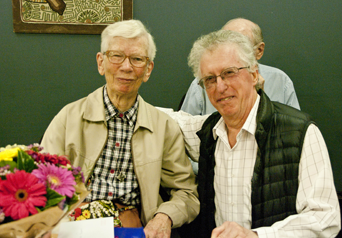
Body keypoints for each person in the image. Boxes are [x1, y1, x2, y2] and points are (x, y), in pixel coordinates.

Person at [162, 29, 340, 237]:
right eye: (210, 79)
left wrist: (256, 236)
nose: (220, 86)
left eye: (229, 72)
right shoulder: (207, 132)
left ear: (254, 74)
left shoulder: (300, 132)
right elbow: (161, 119)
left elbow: (325, 218)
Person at [40, 19, 199, 238]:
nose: (126, 66)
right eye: (116, 56)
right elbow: (40, 182)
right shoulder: (69, 117)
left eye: (137, 59)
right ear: (101, 62)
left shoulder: (164, 126)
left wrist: (164, 217)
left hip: (133, 228)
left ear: (148, 69)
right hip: (74, 226)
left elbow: (187, 193)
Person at [181, 18, 300, 117]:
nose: (220, 87)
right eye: (223, 43)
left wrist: (261, 100)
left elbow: (293, 128)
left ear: (259, 50)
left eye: (241, 44)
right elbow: (186, 128)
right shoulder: (203, 82)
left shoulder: (280, 80)